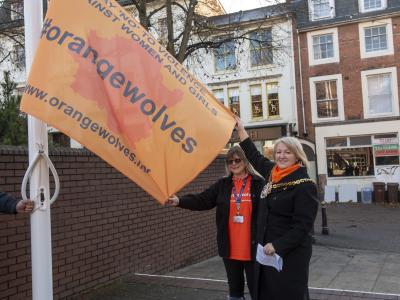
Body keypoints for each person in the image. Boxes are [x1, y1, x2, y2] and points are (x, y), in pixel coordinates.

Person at [235, 116, 319, 300]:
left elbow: (302, 227)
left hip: (288, 256)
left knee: (286, 294)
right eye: (278, 152)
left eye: (287, 152)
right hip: (265, 253)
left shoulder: (305, 185)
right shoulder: (274, 173)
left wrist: (277, 245)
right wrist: (241, 130)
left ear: (297, 155)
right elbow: (254, 157)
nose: (281, 156)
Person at [167, 145, 265, 300]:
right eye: (229, 161)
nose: (233, 163)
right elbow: (203, 200)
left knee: (258, 291)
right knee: (235, 292)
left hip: (253, 248)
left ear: (245, 162)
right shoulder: (223, 185)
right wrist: (180, 201)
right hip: (230, 248)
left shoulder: (259, 184)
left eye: (237, 160)